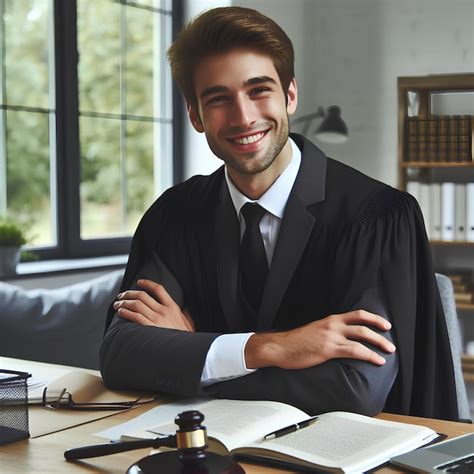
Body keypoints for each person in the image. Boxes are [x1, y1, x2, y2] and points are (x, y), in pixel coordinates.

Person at [100, 6, 458, 420]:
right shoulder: (174, 216)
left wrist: (198, 353)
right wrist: (273, 347)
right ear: (195, 115)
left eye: (258, 90)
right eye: (218, 98)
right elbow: (121, 355)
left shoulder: (376, 217)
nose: (243, 116)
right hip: (211, 453)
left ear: (290, 95)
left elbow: (355, 388)